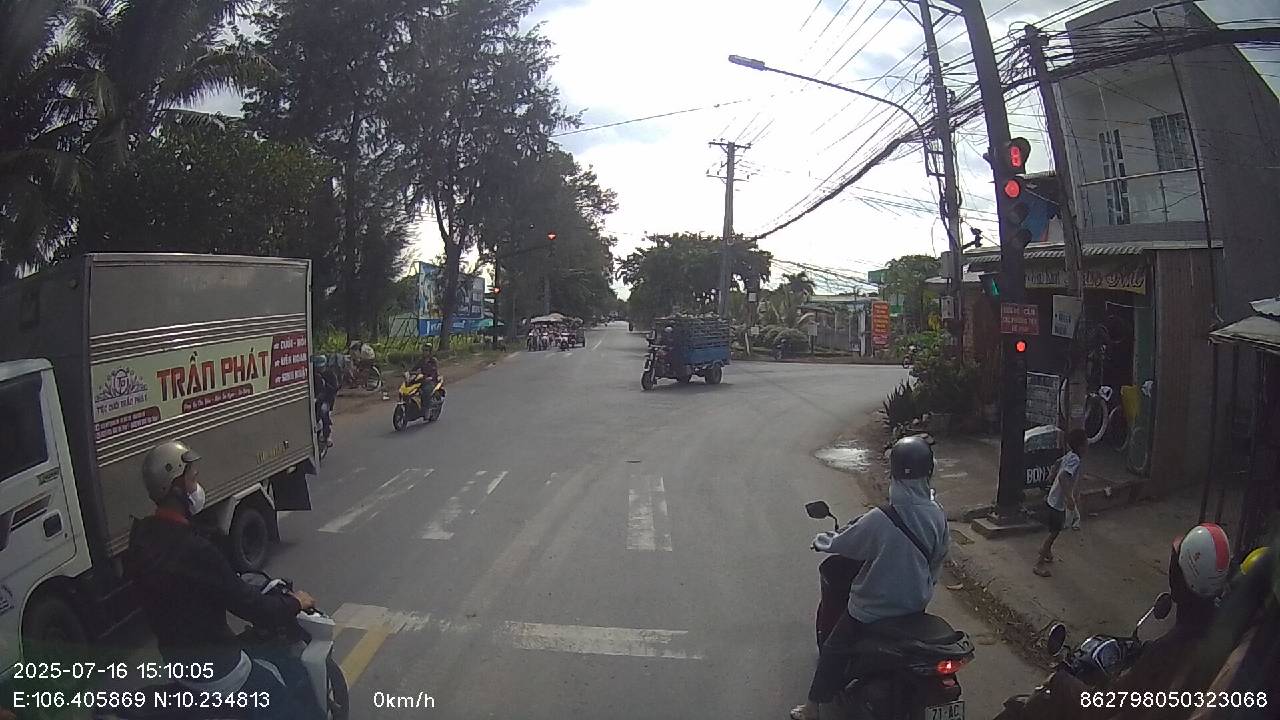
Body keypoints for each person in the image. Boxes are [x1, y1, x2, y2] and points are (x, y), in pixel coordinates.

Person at [124, 440, 322, 719]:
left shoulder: (143, 540)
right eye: (192, 478)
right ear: (176, 487)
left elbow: (194, 592)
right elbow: (252, 607)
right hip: (220, 672)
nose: (197, 486)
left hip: (181, 666)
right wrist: (294, 603)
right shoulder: (195, 550)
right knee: (289, 700)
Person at [791, 435, 949, 720]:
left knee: (834, 649)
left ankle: (811, 708)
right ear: (929, 472)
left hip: (873, 609)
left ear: (894, 474)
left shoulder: (882, 517)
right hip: (915, 606)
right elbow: (939, 557)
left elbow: (847, 543)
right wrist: (925, 586)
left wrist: (823, 541)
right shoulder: (937, 514)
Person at [1034, 428, 1088, 577]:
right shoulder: (1075, 460)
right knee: (1054, 532)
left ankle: (1046, 551)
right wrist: (1070, 498)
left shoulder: (1070, 455)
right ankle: (1039, 562)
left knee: (1054, 530)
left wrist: (1051, 474)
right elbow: (1063, 477)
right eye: (1086, 444)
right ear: (1081, 447)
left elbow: (1058, 462)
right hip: (1058, 502)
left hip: (1053, 499)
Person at [312, 356, 337, 446]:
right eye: (318, 367)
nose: (320, 369)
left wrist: (325, 384)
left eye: (321, 367)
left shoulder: (330, 374)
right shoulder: (313, 375)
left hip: (327, 400)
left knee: (323, 411)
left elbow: (334, 389)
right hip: (316, 399)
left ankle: (327, 434)